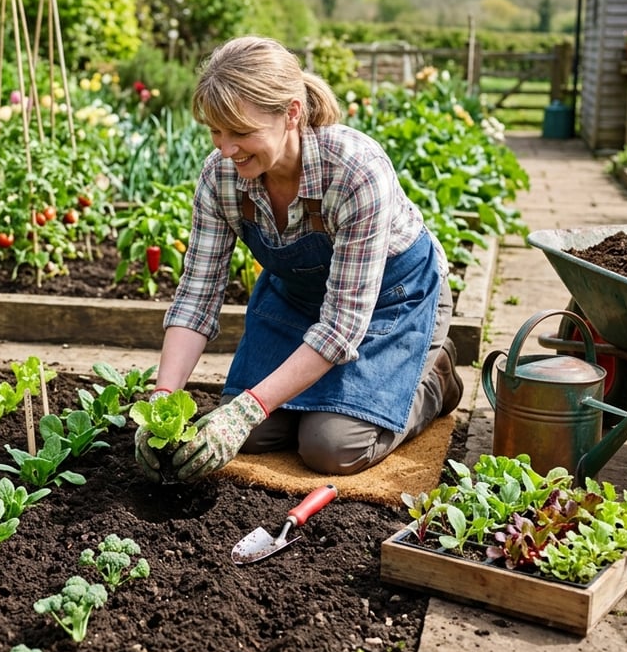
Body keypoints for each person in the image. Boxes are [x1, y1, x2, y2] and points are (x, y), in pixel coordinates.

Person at [135, 35, 463, 483]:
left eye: (242, 132)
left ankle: (434, 377)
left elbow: (342, 326)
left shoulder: (354, 171)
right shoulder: (221, 178)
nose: (226, 149)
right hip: (297, 300)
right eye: (216, 131)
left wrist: (251, 405)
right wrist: (162, 397)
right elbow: (196, 299)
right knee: (250, 432)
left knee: (331, 446)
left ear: (291, 113)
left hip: (391, 301)